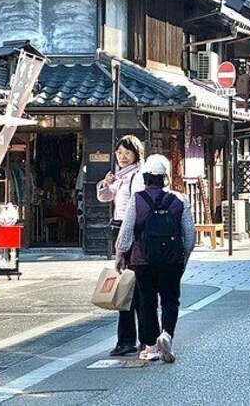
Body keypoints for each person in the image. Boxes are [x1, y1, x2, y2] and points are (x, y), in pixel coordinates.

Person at [115, 154, 195, 363]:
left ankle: (150, 347)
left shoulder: (138, 199)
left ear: (146, 177)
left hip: (143, 260)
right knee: (170, 301)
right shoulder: (180, 200)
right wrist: (184, 257)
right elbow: (189, 235)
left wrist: (120, 254)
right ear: (165, 177)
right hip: (171, 261)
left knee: (147, 302)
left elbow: (126, 232)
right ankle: (166, 335)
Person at [96, 135, 145, 357]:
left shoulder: (137, 176)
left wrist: (122, 248)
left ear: (136, 154)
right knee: (130, 287)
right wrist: (106, 183)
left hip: (130, 231)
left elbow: (134, 210)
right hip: (120, 228)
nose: (122, 157)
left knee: (129, 287)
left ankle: (130, 340)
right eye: (119, 153)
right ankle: (138, 339)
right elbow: (105, 197)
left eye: (127, 153)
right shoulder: (121, 177)